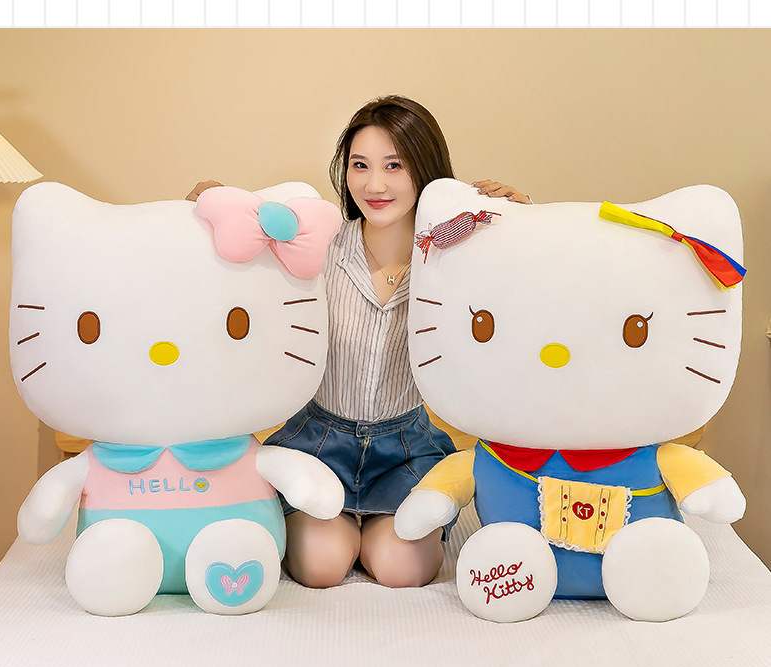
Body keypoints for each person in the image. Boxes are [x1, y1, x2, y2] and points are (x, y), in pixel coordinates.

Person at [186, 95, 530, 589]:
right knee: (321, 566)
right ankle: (343, 533)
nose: (374, 185)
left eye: (394, 165)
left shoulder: (453, 258)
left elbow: (522, 302)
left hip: (405, 449)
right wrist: (207, 204)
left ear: (425, 169)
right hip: (318, 443)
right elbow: (244, 254)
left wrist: (518, 222)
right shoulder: (319, 247)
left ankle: (375, 535)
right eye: (360, 165)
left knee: (401, 568)